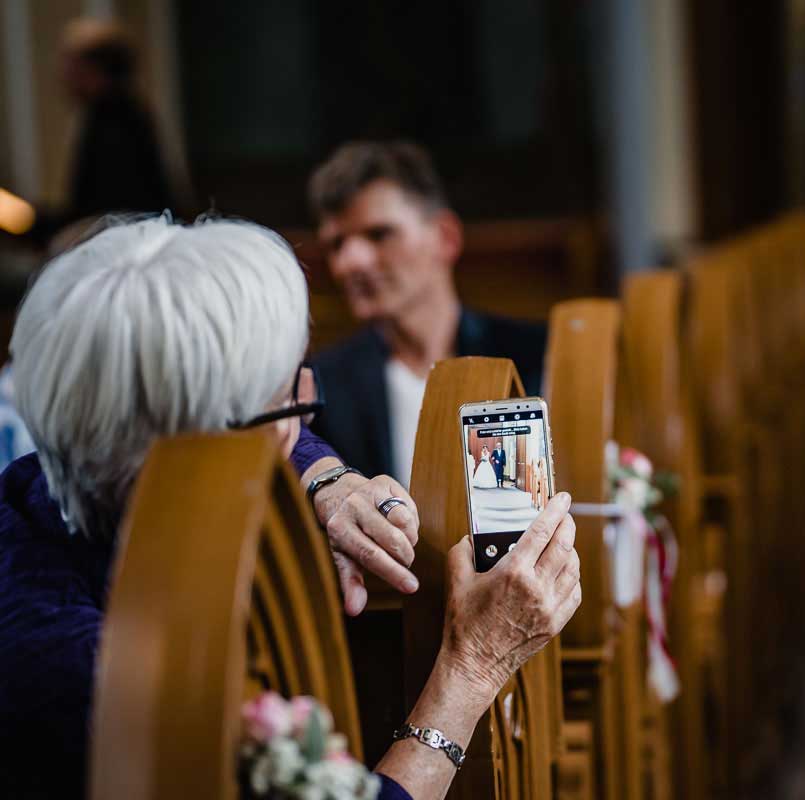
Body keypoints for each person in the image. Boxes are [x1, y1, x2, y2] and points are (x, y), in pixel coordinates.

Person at [0, 217, 581, 799]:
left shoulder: (47, 479)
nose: (304, 421)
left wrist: (325, 481)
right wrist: (471, 668)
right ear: (210, 444)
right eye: (286, 402)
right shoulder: (96, 677)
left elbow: (255, 431)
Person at [309, 141, 548, 486]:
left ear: (445, 238)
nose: (350, 263)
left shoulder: (535, 357)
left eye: (378, 234)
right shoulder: (325, 387)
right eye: (336, 245)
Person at [29, 19, 173, 245]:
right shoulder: (112, 113)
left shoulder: (116, 122)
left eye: (70, 64)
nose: (62, 75)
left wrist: (30, 221)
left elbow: (107, 211)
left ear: (93, 69)